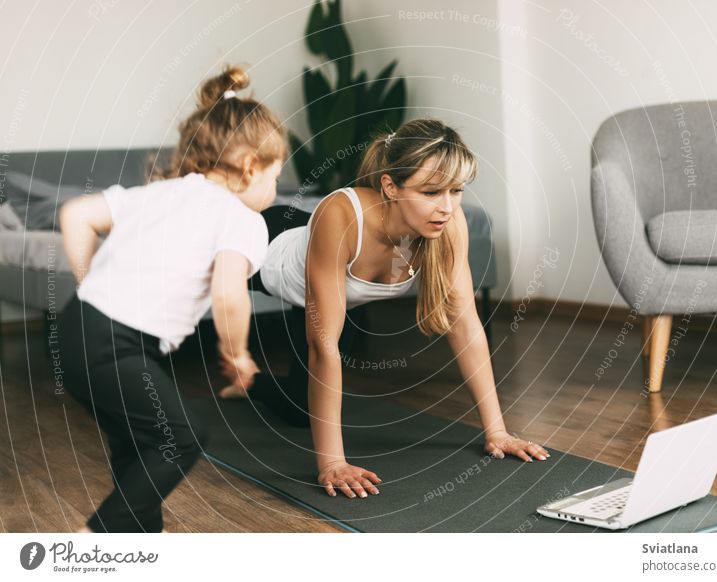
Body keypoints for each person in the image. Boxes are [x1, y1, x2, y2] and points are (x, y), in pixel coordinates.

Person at [221, 118, 549, 499]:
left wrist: (497, 431)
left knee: (299, 411)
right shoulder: (342, 216)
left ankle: (250, 384)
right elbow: (324, 345)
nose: (446, 206)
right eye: (430, 192)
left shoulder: (448, 223)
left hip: (323, 290)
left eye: (456, 190)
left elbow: (465, 326)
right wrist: (332, 462)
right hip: (270, 250)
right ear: (390, 186)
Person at [58, 65, 285, 532]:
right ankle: (90, 542)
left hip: (73, 330)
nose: (275, 189)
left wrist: (90, 287)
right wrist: (237, 352)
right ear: (248, 167)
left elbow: (76, 214)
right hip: (116, 345)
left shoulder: (160, 192)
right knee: (181, 437)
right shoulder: (241, 219)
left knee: (139, 442)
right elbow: (228, 292)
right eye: (276, 177)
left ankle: (140, 539)